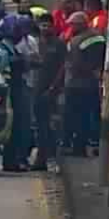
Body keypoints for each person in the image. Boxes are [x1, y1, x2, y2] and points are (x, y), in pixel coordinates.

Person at [0, 14, 37, 171]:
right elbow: (1, 73)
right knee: (14, 126)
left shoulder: (14, 49)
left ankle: (16, 159)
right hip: (12, 92)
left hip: (19, 90)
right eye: (19, 32)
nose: (22, 35)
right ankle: (10, 161)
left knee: (20, 126)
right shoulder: (2, 51)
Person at [61, 12, 106, 157]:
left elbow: (74, 64)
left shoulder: (76, 41)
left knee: (74, 117)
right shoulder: (100, 37)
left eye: (73, 24)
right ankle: (84, 145)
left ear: (81, 25)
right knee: (88, 116)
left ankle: (75, 147)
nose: (71, 27)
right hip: (93, 84)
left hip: (76, 84)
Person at [32, 9, 67, 169]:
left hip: (53, 91)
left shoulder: (59, 44)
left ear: (53, 27)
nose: (45, 28)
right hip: (36, 90)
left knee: (52, 126)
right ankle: (41, 159)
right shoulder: (35, 42)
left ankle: (52, 158)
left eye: (48, 25)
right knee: (40, 125)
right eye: (42, 25)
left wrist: (54, 87)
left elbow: (63, 67)